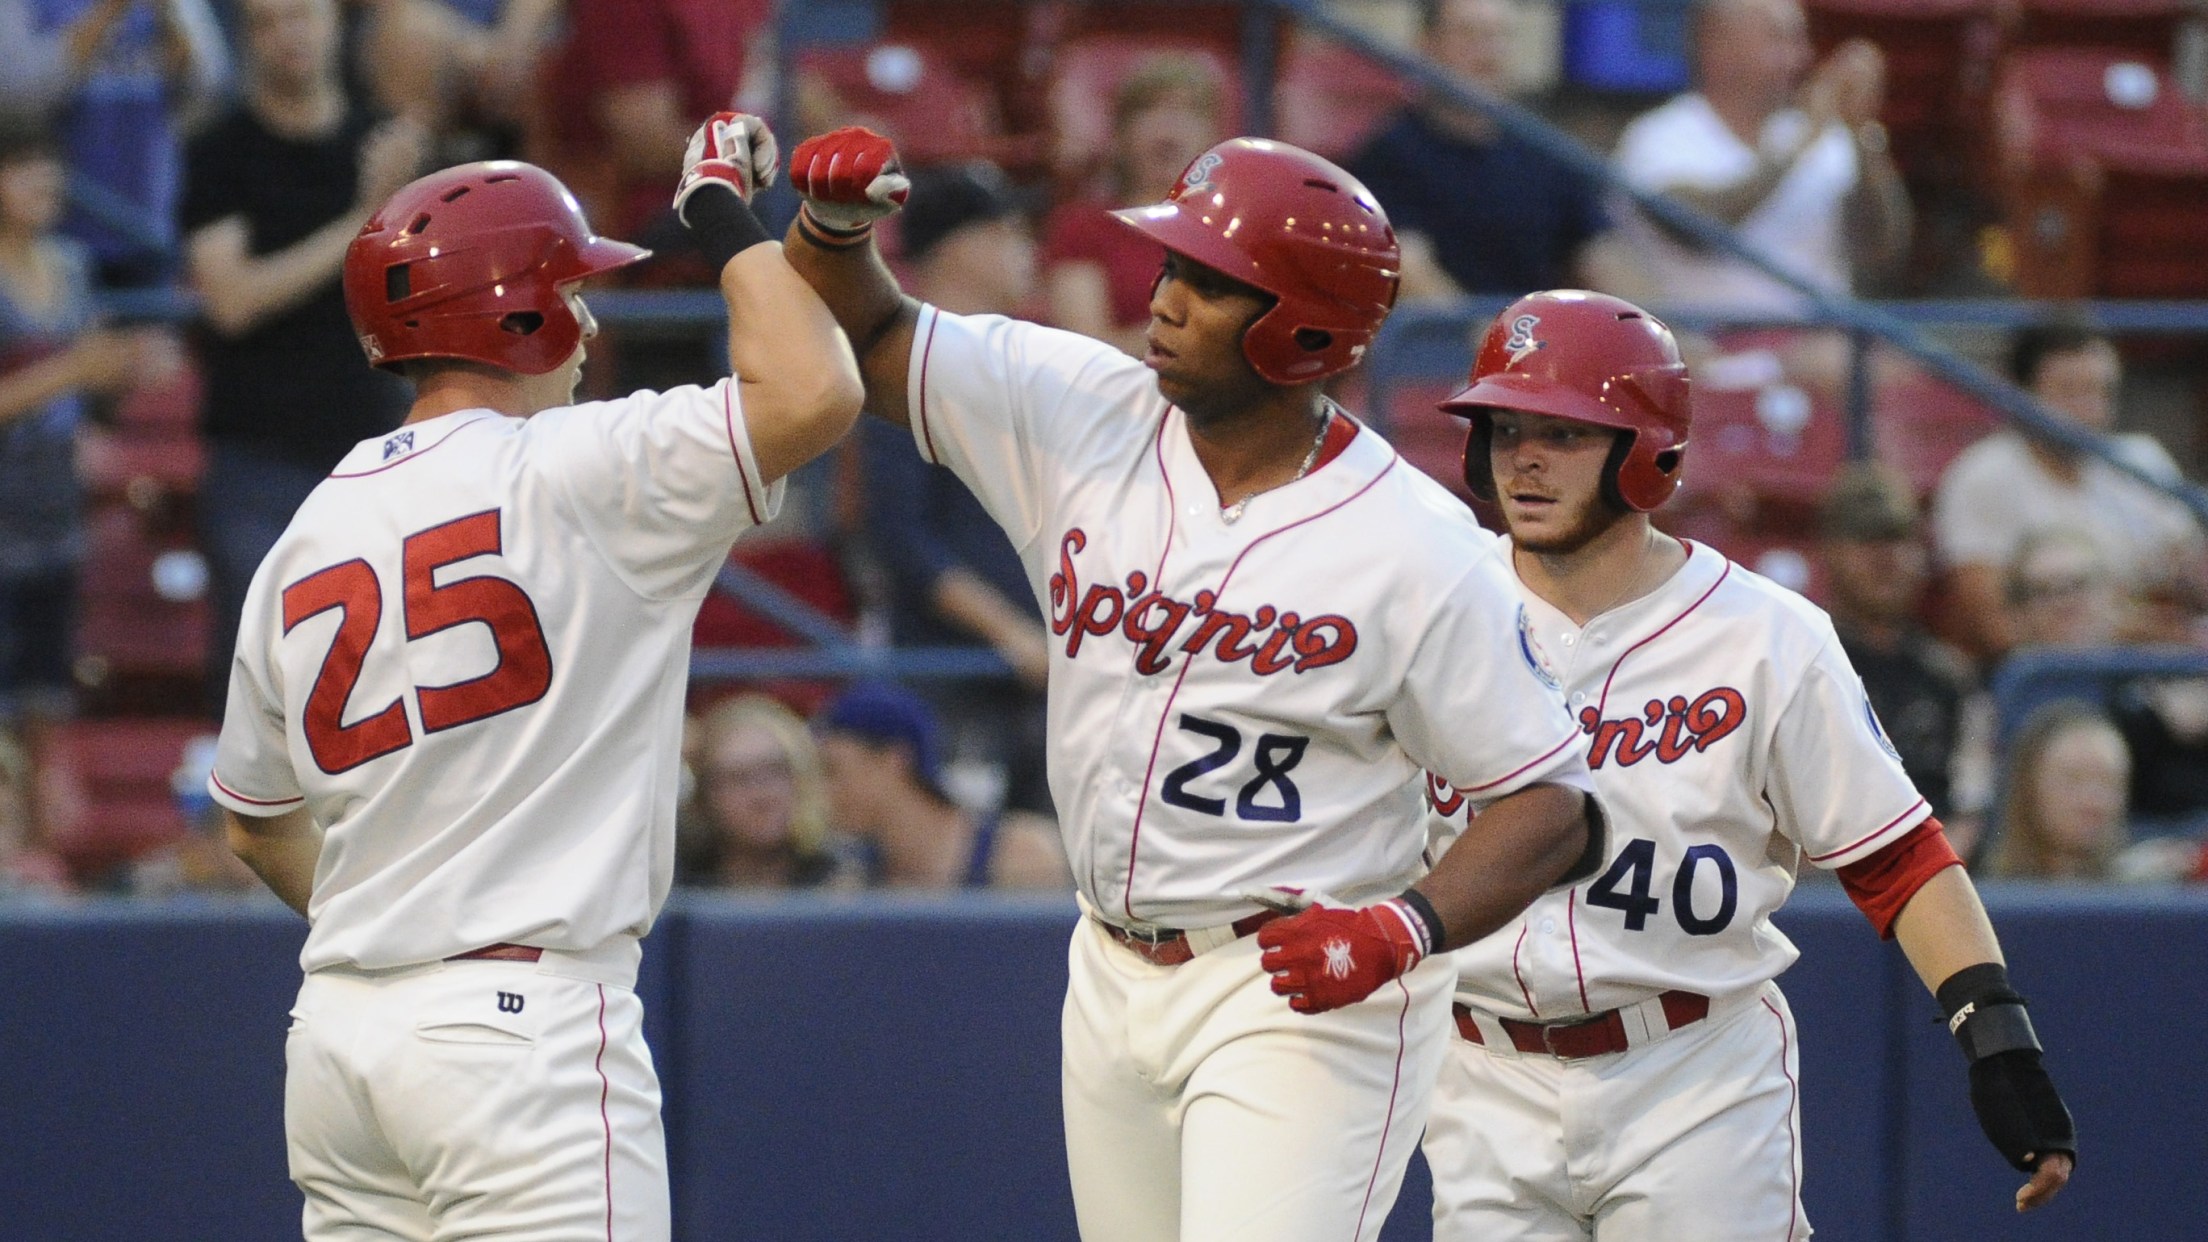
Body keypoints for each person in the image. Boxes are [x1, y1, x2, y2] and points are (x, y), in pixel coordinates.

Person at [781, 123, 1601, 1241]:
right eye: (1170, 266)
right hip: (1110, 962)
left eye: (1208, 284)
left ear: (1303, 331)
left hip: (1299, 984)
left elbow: (1550, 801)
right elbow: (873, 333)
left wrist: (1406, 928)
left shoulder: (1419, 547)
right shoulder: (1081, 405)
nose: (1162, 301)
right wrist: (835, 234)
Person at [207, 113, 863, 1238]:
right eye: (570, 290)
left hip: (339, 1038)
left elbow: (255, 824)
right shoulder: (581, 465)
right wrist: (716, 205)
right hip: (520, 1030)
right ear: (518, 311)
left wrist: (408, 927)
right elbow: (815, 390)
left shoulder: (304, 536)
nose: (589, 319)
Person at [1422, 289, 2074, 1241]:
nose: (1523, 457)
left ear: (1646, 448)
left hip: (1691, 1075)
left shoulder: (1765, 636)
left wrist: (1998, 1037)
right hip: (1480, 1072)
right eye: (1506, 427)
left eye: (1563, 432)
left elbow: (1897, 859)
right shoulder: (1432, 613)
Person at [181, 0, 428, 711]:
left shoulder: (388, 144)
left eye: (301, 15)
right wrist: (364, 219)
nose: (286, 34)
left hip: (378, 448)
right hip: (257, 454)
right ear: (245, 37)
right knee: (260, 686)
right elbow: (231, 299)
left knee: (391, 677)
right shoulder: (221, 150)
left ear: (336, 22)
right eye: (266, 21)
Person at [859, 161, 1051, 814]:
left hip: (1042, 672)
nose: (1027, 249)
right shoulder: (903, 363)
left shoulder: (1028, 362)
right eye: (1005, 232)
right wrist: (1013, 634)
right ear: (955, 249)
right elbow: (902, 537)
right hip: (952, 676)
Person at [0, 118, 161, 725]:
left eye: (49, 164)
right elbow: (73, 367)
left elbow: (92, 376)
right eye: (22, 166)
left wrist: (126, 369)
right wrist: (73, 370)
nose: (43, 179)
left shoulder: (70, 265)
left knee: (46, 705)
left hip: (57, 513)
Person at [1612, 0, 1909, 314]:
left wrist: (1861, 132)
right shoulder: (1656, 137)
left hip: (1823, 331)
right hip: (1707, 335)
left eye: (1800, 39)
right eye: (1780, 39)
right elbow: (1696, 228)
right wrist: (1800, 143)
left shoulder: (1826, 135)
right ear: (1717, 44)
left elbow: (1881, 252)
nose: (1802, 57)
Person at [1933, 318, 2204, 658]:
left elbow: (2192, 586)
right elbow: (1996, 628)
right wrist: (2133, 623)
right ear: (2019, 393)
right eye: (2069, 391)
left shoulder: (2142, 459)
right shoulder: (1983, 475)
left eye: (2102, 391)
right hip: (2044, 679)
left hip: (2155, 675)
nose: (2090, 410)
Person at [1346, 0, 1646, 304]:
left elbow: (1602, 254)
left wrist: (1653, 324)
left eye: (1500, 35)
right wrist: (1496, 331)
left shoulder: (1542, 150)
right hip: (1449, 331)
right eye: (1469, 34)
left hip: (1535, 325)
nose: (1488, 52)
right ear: (1427, 45)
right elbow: (1409, 268)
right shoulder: (1389, 154)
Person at [1817, 461, 1992, 859]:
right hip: (1819, 875)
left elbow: (1971, 802)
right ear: (1832, 551)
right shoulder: (1801, 664)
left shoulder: (1950, 676)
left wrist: (1924, 876)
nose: (1888, 559)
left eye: (1900, 541)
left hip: (1933, 867)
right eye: (1868, 542)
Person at [0, 0, 230, 284]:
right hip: (54, 227)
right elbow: (17, 96)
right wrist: (108, 10)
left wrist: (169, 16)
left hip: (151, 220)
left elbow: (210, 89)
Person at [1041, 51, 1225, 356]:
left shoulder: (1230, 230)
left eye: (1190, 111)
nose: (1170, 125)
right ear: (1121, 134)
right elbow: (1085, 349)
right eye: (1150, 109)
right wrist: (1202, 337)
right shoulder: (1082, 227)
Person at [814, 680, 1065, 889]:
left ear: (894, 761)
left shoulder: (1022, 856)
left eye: (833, 771)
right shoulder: (852, 884)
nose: (823, 791)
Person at [678, 693, 855, 890]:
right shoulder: (676, 888)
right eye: (738, 777)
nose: (761, 795)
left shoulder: (845, 880)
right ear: (704, 795)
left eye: (776, 771)